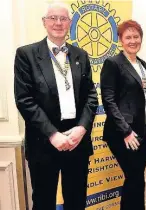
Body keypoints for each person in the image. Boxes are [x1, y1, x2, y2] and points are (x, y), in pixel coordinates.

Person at [14, 2, 97, 210]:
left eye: (63, 19)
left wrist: (82, 128)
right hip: (44, 141)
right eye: (53, 18)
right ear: (44, 22)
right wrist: (53, 134)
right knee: (43, 202)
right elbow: (24, 100)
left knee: (77, 201)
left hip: (77, 140)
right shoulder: (27, 55)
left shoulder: (81, 55)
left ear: (69, 23)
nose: (58, 23)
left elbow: (91, 97)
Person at [100, 20, 146, 210]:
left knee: (136, 179)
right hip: (124, 133)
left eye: (136, 36)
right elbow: (108, 101)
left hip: (144, 131)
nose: (133, 41)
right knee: (134, 178)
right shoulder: (113, 63)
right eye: (128, 37)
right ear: (120, 40)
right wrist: (126, 131)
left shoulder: (142, 64)